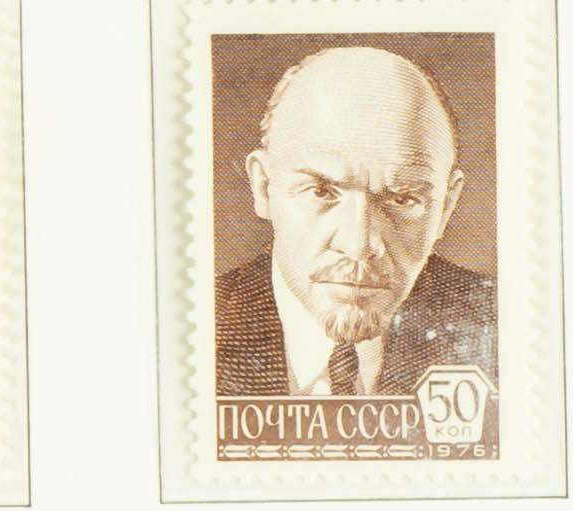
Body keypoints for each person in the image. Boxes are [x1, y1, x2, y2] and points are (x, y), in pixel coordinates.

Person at [211, 44, 493, 400]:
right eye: (321, 191)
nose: (359, 244)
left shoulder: (506, 326)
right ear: (264, 187)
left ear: (446, 207)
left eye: (403, 199)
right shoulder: (194, 326)